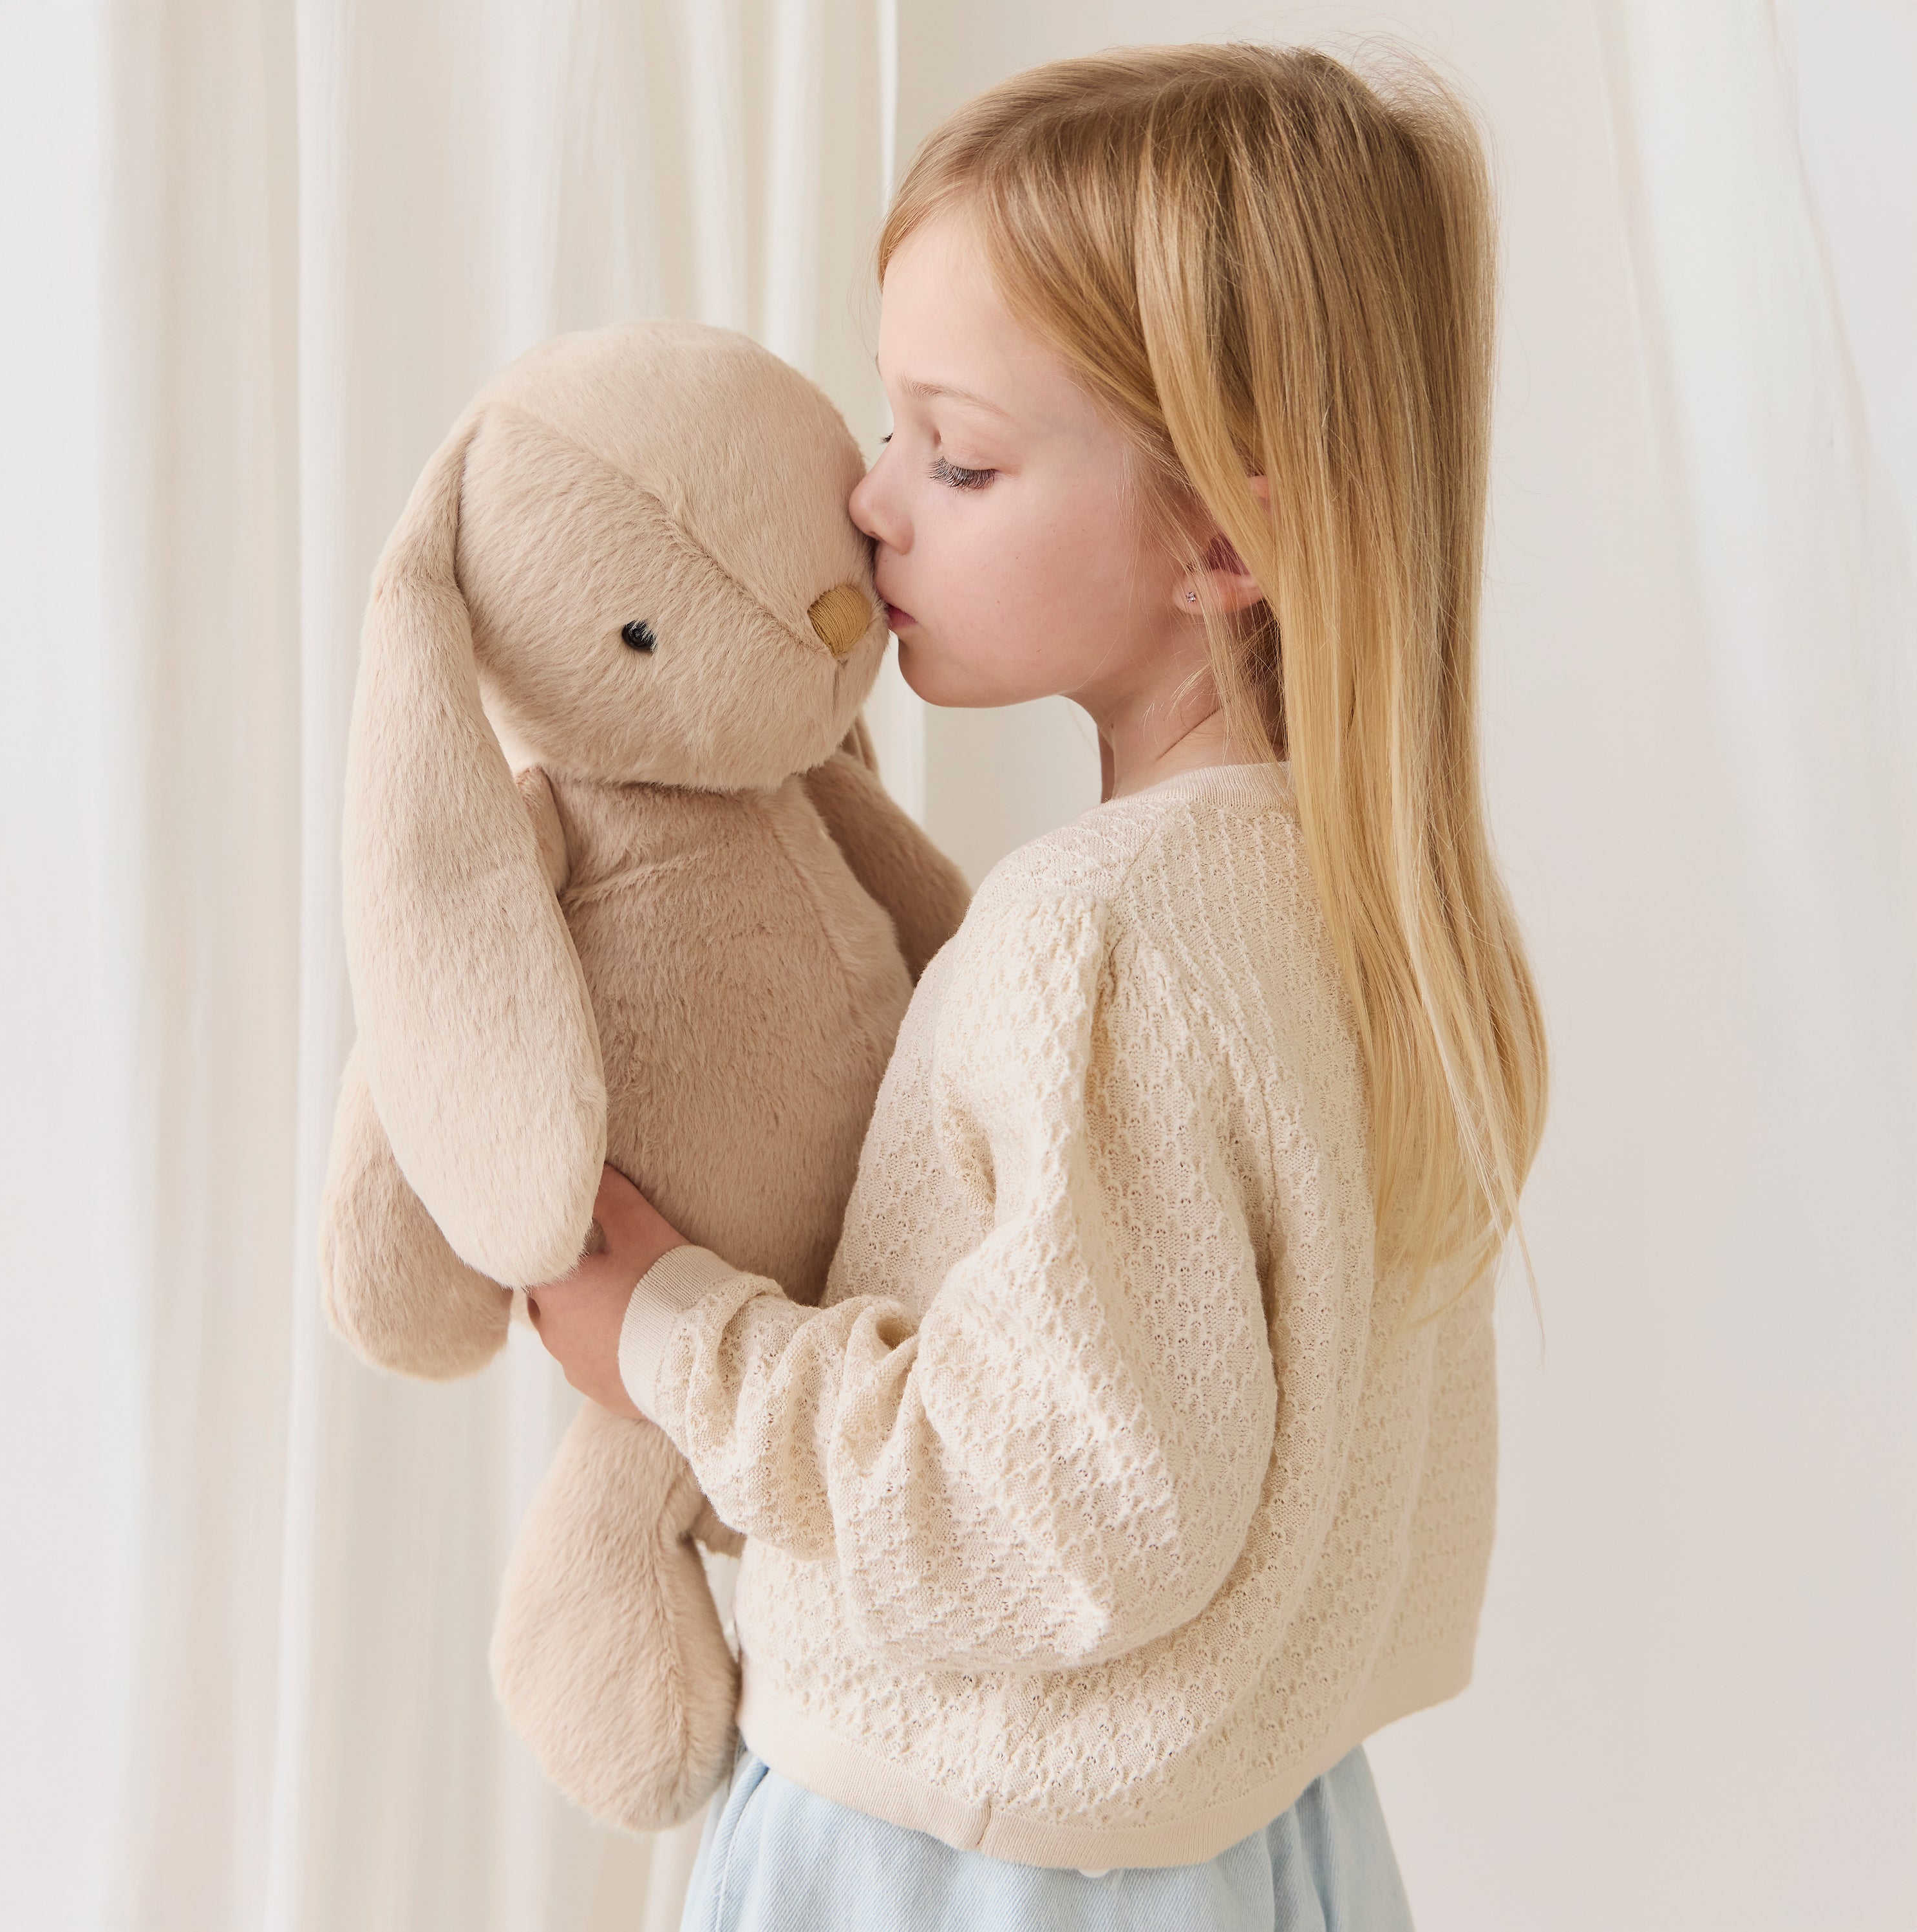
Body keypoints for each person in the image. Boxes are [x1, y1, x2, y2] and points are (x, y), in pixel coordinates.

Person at [527, 40, 1548, 1930]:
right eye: (892, 428)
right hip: (1273, 1842)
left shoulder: (1108, 938)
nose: (873, 498)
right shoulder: (1365, 913)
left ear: (1227, 537)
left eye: (961, 452)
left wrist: (669, 1339)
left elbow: (1053, 1507)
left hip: (974, 1860)